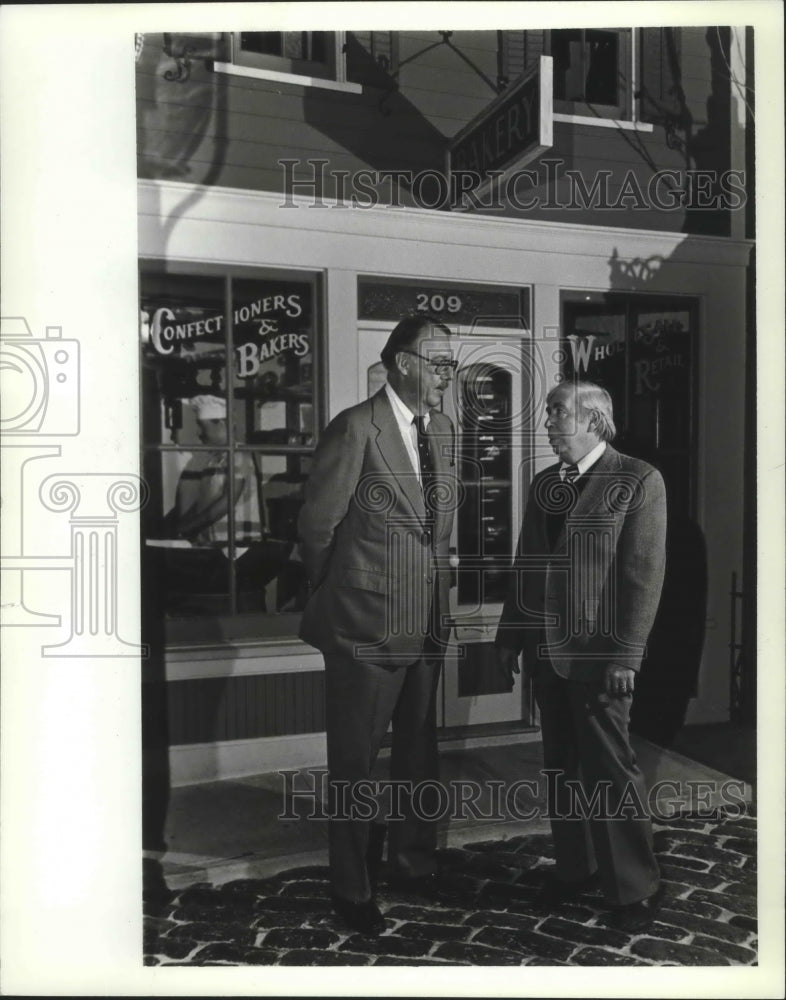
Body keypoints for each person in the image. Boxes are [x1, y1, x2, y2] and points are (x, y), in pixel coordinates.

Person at [297, 315, 458, 935]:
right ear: (403, 364)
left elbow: (433, 528)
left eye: (452, 361)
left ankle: (414, 863)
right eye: (439, 360)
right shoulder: (355, 428)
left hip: (427, 621)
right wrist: (338, 594)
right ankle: (351, 887)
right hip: (365, 623)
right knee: (356, 762)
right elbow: (318, 531)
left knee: (419, 751)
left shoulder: (441, 429)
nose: (450, 372)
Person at [495, 380, 667, 933]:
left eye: (557, 412)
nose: (547, 422)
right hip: (548, 652)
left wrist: (628, 654)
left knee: (610, 771)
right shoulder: (545, 482)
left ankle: (633, 887)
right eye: (547, 413)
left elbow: (643, 576)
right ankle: (575, 870)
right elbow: (527, 565)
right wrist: (508, 638)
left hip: (601, 655)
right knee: (562, 769)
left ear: (594, 419)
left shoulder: (637, 479)